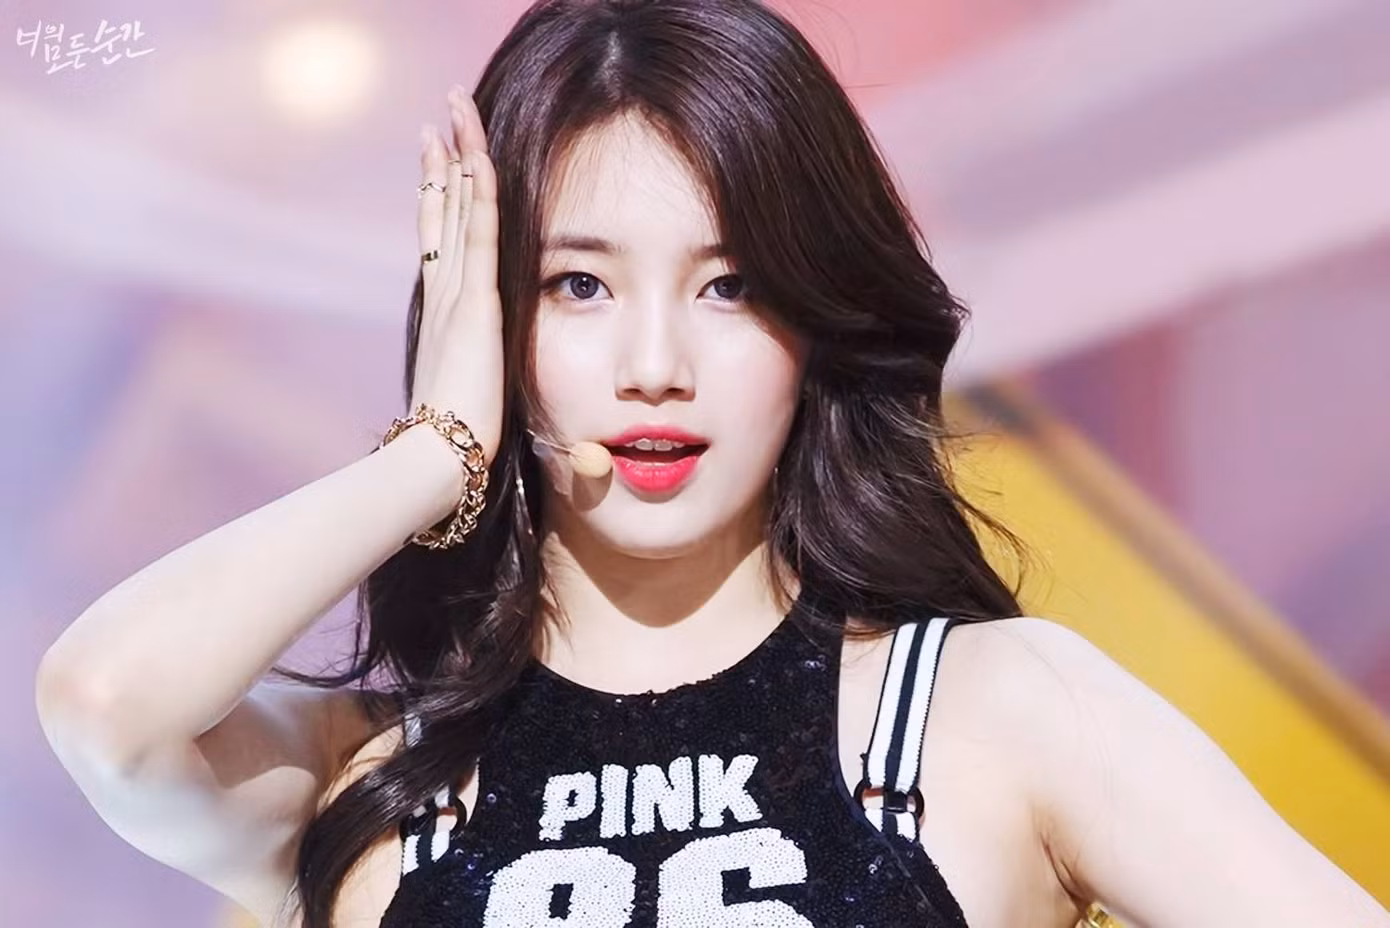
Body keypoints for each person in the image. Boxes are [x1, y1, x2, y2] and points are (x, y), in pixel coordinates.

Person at [34, 1, 1389, 926]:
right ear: (488, 322)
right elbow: (105, 702)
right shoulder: (375, 774)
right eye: (576, 286)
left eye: (729, 285)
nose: (654, 363)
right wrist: (437, 454)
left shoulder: (997, 709)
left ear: (813, 319)